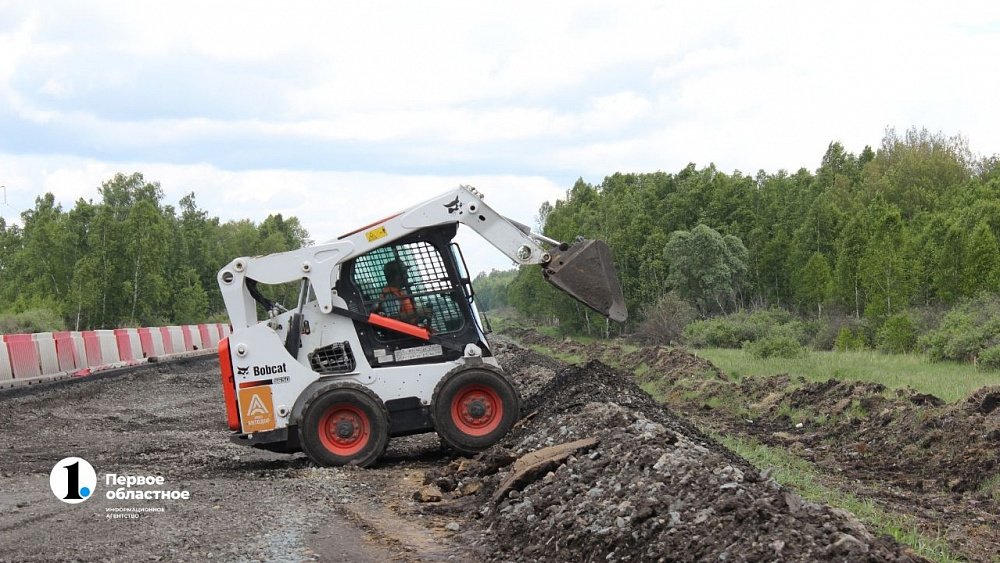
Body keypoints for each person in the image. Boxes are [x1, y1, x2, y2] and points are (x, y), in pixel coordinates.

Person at [375, 259, 431, 326]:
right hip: (404, 335)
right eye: (404, 273)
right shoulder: (390, 295)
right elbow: (391, 320)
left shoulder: (399, 291)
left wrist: (420, 312)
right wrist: (416, 313)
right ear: (396, 277)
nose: (407, 276)